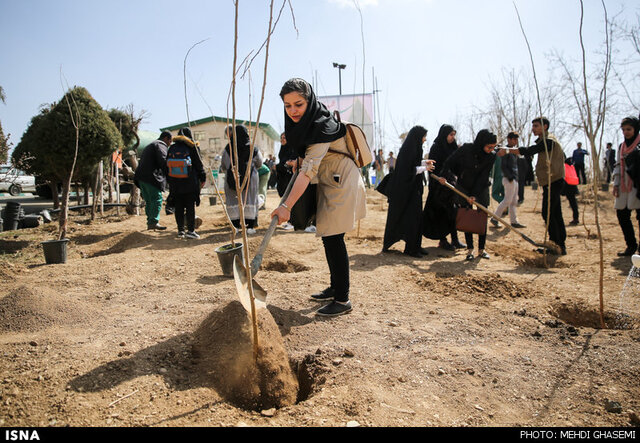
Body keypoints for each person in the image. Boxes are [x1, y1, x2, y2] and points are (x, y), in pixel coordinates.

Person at [271, 78, 366, 317]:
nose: (293, 111)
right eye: (288, 105)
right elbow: (312, 160)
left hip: (341, 181)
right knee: (327, 235)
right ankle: (335, 287)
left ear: (309, 101)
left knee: (334, 237)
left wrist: (286, 207)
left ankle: (343, 300)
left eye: (298, 104)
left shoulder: (319, 127)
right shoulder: (311, 120)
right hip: (330, 179)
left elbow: (308, 171)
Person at [438, 129, 498, 261]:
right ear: (482, 143)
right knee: (467, 216)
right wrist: (443, 175)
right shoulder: (467, 149)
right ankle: (470, 249)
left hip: (481, 188)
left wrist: (475, 195)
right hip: (464, 186)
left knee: (482, 215)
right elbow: (450, 161)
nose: (491, 149)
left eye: (494, 147)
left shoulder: (492, 156)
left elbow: (483, 176)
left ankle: (481, 249)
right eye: (489, 146)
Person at [513, 117, 567, 255]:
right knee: (555, 213)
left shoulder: (549, 141)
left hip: (553, 180)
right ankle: (560, 245)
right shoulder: (548, 141)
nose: (533, 129)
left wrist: (510, 151)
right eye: (533, 126)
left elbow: (531, 150)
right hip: (552, 180)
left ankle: (555, 244)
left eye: (536, 126)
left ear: (545, 126)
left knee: (548, 213)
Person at [382, 126, 435, 257]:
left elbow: (414, 163)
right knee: (411, 219)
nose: (424, 139)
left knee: (417, 218)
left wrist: (424, 162)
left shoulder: (414, 148)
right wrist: (425, 168)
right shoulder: (407, 149)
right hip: (406, 191)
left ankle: (416, 245)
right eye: (423, 136)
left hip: (413, 189)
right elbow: (407, 170)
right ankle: (411, 248)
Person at [422, 124, 466, 250]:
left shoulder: (453, 148)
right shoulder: (436, 148)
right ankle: (443, 240)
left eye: (454, 135)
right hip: (439, 188)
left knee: (452, 213)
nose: (452, 137)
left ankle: (455, 239)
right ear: (444, 134)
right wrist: (438, 178)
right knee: (440, 214)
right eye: (450, 135)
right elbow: (432, 168)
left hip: (451, 186)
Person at [221, 125, 263, 235]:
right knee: (250, 199)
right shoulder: (253, 148)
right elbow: (259, 163)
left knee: (233, 200)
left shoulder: (228, 148)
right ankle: (250, 226)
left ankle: (235, 226)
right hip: (250, 179)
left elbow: (224, 165)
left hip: (232, 178)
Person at [166, 127, 206, 239]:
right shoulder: (192, 147)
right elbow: (198, 164)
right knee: (190, 206)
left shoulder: (172, 147)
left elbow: (167, 165)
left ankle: (180, 231)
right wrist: (202, 178)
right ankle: (191, 231)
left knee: (178, 206)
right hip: (190, 182)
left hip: (175, 183)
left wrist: (170, 181)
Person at [612, 116, 640, 256]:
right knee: (622, 214)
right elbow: (618, 165)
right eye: (623, 130)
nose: (626, 132)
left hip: (637, 185)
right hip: (623, 185)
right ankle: (631, 245)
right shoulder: (621, 146)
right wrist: (616, 184)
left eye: (629, 129)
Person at [134, 131, 172, 230]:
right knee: (156, 199)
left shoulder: (150, 145)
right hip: (151, 177)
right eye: (170, 141)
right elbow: (163, 160)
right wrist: (170, 176)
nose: (170, 144)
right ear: (166, 138)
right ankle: (153, 222)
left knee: (149, 201)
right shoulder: (161, 145)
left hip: (141, 178)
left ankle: (150, 222)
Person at [491, 132, 526, 229]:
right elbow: (503, 165)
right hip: (508, 178)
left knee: (514, 201)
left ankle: (514, 221)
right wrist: (509, 177)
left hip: (514, 178)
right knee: (507, 200)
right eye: (514, 139)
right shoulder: (505, 151)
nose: (515, 141)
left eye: (516, 139)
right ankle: (495, 218)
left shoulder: (513, 152)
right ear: (509, 139)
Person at [562, 157, 580, 226]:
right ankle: (576, 218)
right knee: (574, 203)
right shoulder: (572, 166)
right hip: (573, 185)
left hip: (567, 186)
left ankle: (575, 219)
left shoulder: (564, 166)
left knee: (572, 202)